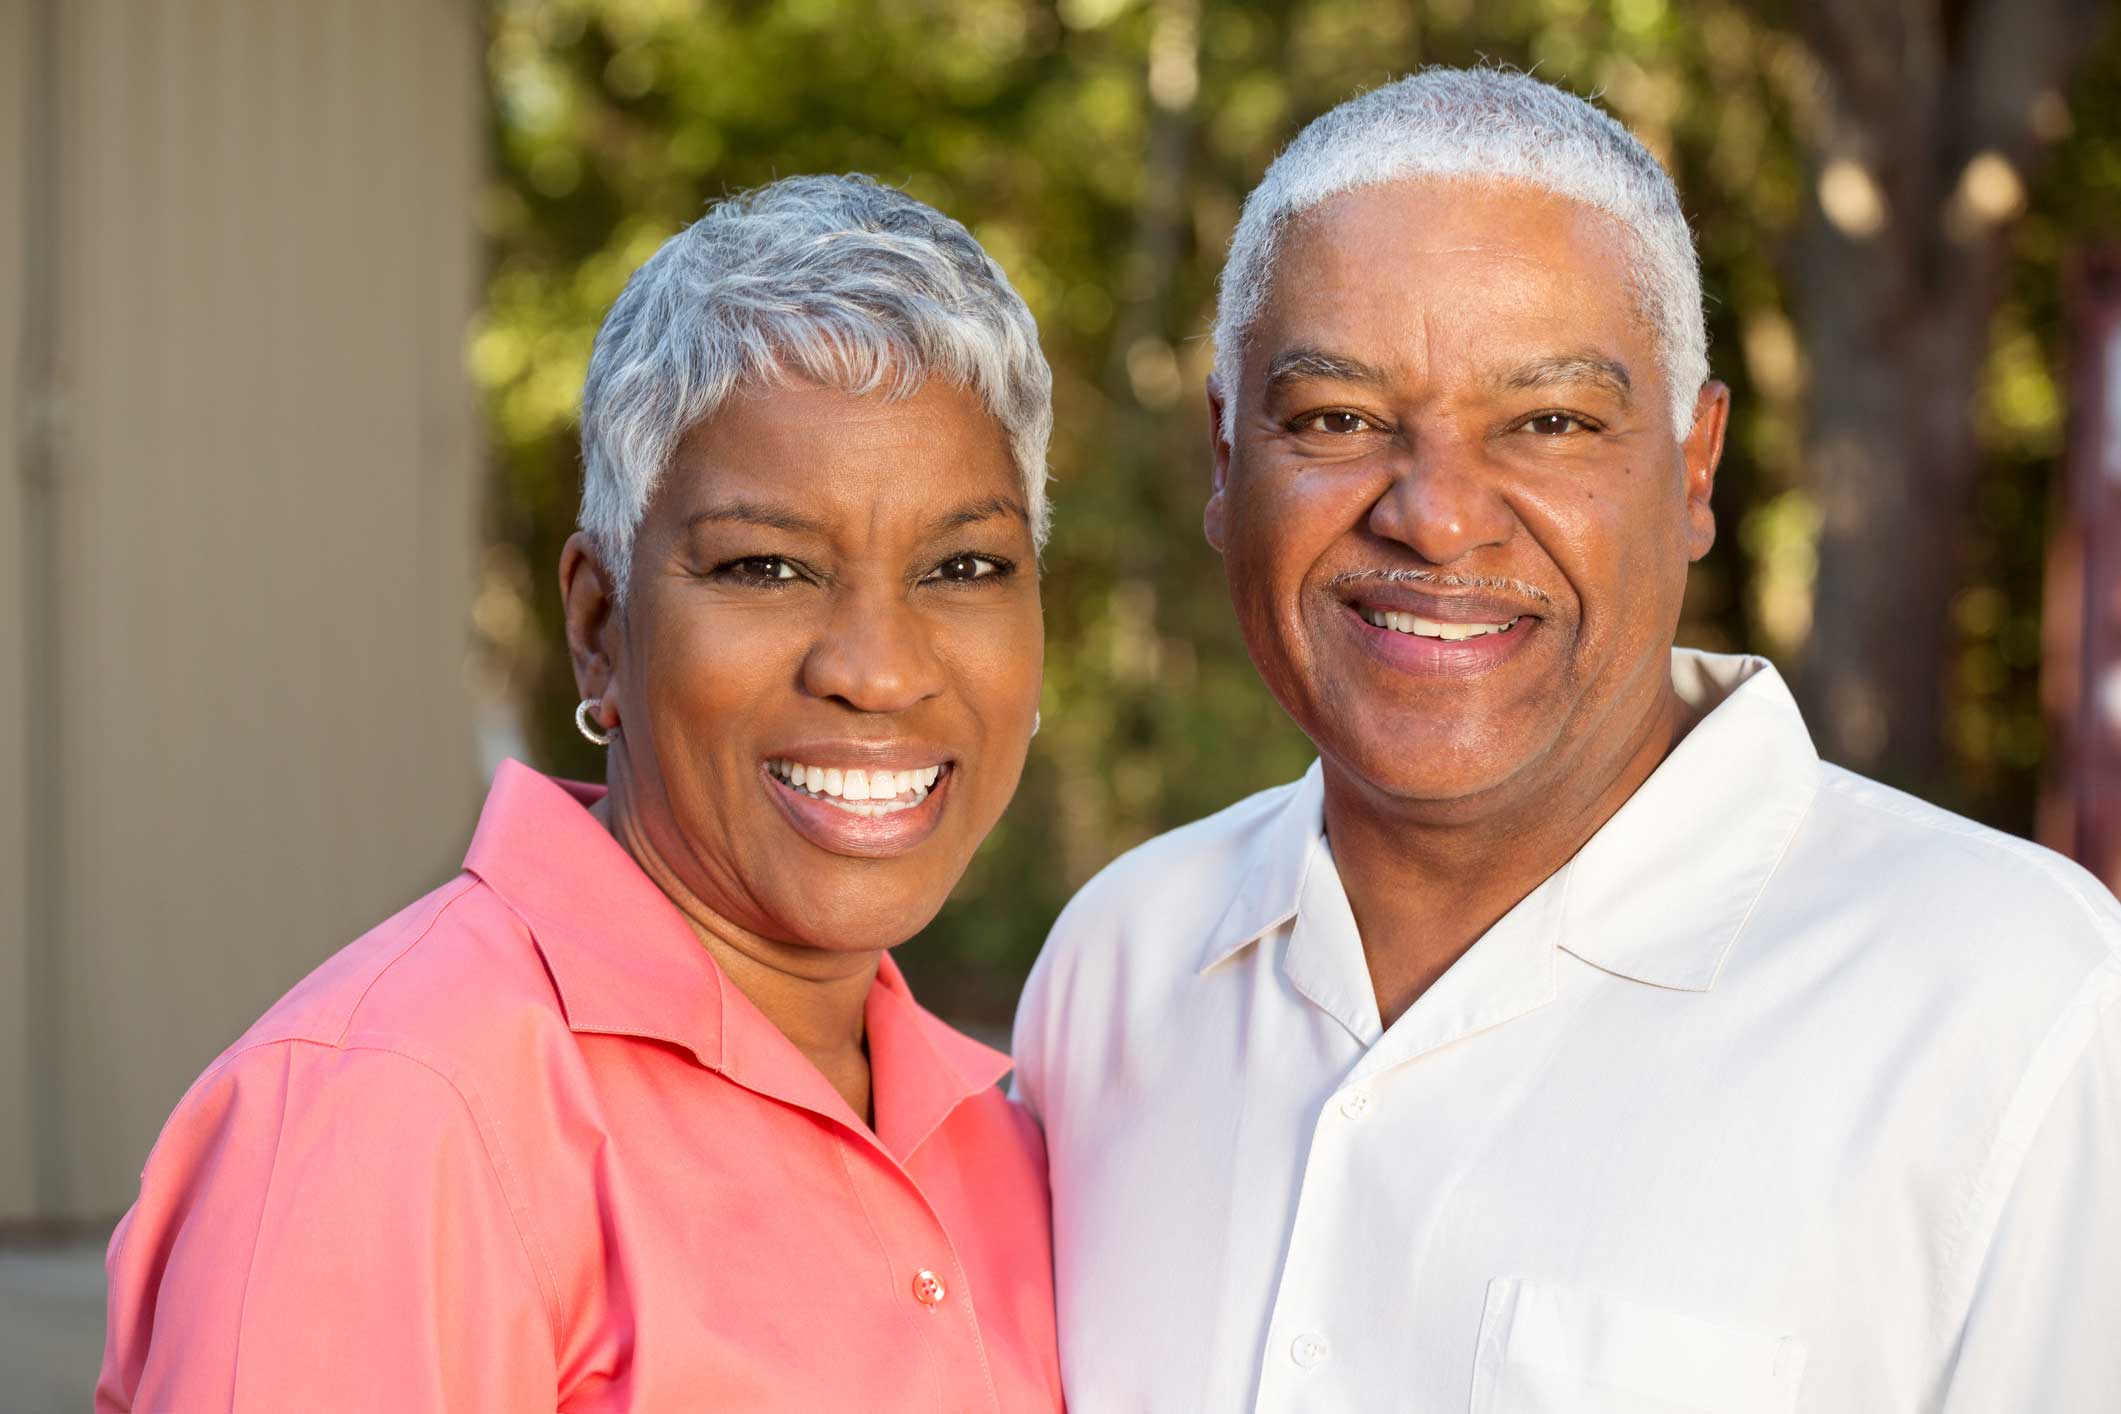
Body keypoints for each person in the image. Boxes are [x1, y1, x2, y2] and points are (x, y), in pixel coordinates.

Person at [1013, 68, 2121, 1412]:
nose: (1433, 514)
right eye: (1338, 419)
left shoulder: (2017, 1003)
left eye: (1547, 421)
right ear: (1226, 460)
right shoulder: (1119, 964)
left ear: (1694, 466)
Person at [99, 175, 1064, 1412]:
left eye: (964, 565)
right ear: (601, 626)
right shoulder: (394, 1111)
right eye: (766, 566)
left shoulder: (1009, 1128)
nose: (875, 669)